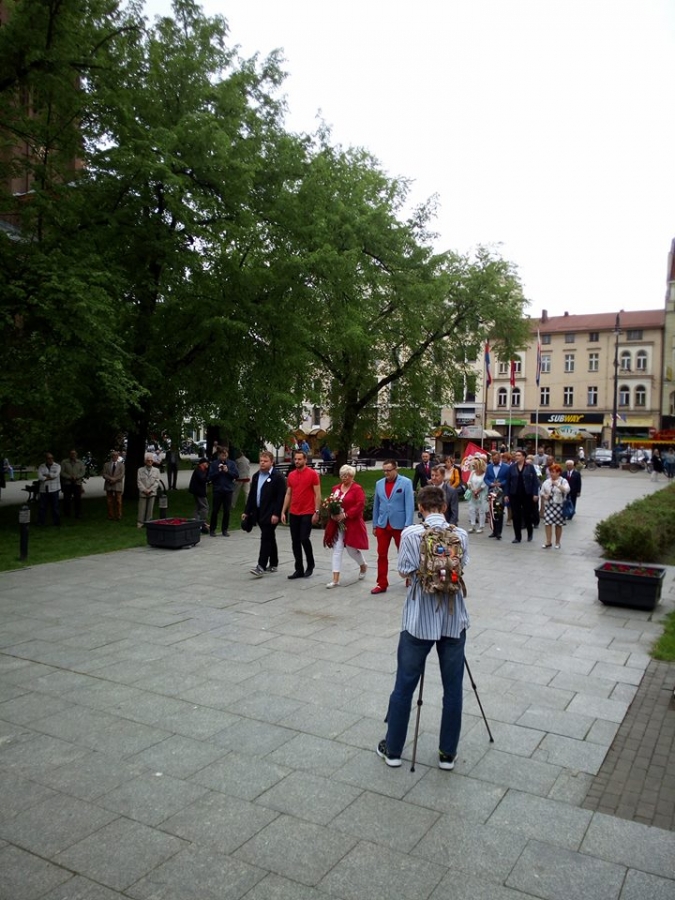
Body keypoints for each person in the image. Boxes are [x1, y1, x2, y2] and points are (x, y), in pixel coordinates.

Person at [377, 485, 469, 769]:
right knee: (453, 688)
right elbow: (462, 566)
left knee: (404, 685)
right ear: (444, 506)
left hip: (419, 620)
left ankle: (393, 750)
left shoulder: (410, 534)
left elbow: (404, 570)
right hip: (453, 620)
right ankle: (447, 754)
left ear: (420, 507)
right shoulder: (460, 534)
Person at [371, 459, 415, 595]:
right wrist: (375, 524)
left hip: (400, 524)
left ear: (396, 469)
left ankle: (409, 577)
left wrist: (408, 525)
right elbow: (376, 505)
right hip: (383, 524)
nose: (386, 473)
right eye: (384, 471)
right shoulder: (379, 484)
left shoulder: (406, 483)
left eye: (389, 470)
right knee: (381, 554)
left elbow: (409, 505)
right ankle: (381, 583)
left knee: (404, 553)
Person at [323, 464, 369, 588]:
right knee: (337, 549)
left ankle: (363, 565)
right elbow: (331, 502)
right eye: (342, 475)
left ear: (352, 476)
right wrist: (332, 513)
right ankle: (335, 579)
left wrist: (346, 514)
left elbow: (360, 505)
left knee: (351, 549)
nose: (344, 478)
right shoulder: (336, 488)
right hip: (337, 524)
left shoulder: (357, 489)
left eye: (346, 476)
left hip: (352, 523)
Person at [245, 451, 287, 576]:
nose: (262, 463)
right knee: (269, 536)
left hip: (271, 512)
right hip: (259, 511)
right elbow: (252, 495)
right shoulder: (256, 476)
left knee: (266, 537)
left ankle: (261, 566)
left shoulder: (278, 477)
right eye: (261, 461)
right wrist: (246, 511)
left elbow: (281, 497)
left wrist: (276, 513)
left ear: (271, 462)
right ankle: (273, 563)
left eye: (265, 461)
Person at [281, 449, 322, 578]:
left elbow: (318, 494)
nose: (297, 461)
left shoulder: (312, 474)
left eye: (299, 459)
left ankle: (310, 564)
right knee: (295, 541)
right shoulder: (291, 475)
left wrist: (316, 511)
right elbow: (288, 493)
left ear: (305, 460)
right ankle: (298, 568)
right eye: (295, 459)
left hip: (307, 511)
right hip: (294, 511)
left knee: (304, 538)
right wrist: (283, 511)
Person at [504, 449, 539, 543]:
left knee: (527, 515)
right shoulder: (512, 467)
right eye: (516, 455)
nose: (517, 457)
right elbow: (508, 482)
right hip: (514, 494)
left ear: (524, 457)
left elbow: (535, 481)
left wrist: (535, 493)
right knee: (516, 515)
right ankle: (517, 536)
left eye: (519, 455)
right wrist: (506, 494)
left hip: (527, 494)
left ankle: (530, 533)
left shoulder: (530, 467)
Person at [208, 447, 238, 536]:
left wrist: (228, 471)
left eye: (225, 455)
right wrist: (218, 471)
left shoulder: (231, 463)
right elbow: (210, 477)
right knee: (215, 510)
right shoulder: (214, 464)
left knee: (227, 511)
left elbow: (236, 475)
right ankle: (212, 529)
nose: (224, 456)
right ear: (219, 455)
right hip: (218, 489)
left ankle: (224, 529)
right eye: (222, 455)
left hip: (228, 490)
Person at [540, 463, 570, 549]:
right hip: (549, 505)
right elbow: (541, 491)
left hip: (559, 505)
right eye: (551, 472)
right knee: (547, 523)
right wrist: (544, 495)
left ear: (558, 472)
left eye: (554, 472)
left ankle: (557, 542)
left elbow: (567, 490)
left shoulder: (563, 481)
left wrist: (558, 485)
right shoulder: (547, 481)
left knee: (558, 524)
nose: (552, 474)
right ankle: (548, 541)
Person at [485, 451, 509, 540]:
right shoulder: (489, 467)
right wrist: (490, 483)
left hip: (501, 492)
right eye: (493, 459)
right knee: (492, 511)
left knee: (499, 511)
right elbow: (486, 478)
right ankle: (494, 531)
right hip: (491, 491)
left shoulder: (506, 467)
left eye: (496, 459)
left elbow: (508, 479)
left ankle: (499, 532)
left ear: (500, 458)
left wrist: (501, 483)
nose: (494, 460)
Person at [37, 452, 61, 526]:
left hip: (54, 489)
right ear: (46, 459)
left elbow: (55, 475)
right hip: (44, 489)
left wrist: (46, 476)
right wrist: (48, 477)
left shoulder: (57, 466)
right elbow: (40, 477)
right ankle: (41, 522)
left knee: (55, 507)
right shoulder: (41, 466)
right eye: (49, 458)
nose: (51, 460)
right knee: (42, 507)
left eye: (52, 458)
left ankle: (56, 522)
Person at [60, 449, 86, 519]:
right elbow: (62, 472)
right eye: (71, 454)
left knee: (78, 499)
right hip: (67, 483)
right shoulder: (64, 462)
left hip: (77, 483)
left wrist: (76, 477)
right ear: (69, 454)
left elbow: (83, 472)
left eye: (74, 454)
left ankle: (78, 513)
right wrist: (69, 477)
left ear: (76, 455)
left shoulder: (80, 462)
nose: (73, 455)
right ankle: (67, 513)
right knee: (67, 499)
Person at [137, 454, 161, 527]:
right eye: (148, 460)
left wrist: (150, 490)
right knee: (141, 508)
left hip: (152, 492)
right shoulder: (140, 470)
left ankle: (149, 523)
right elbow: (139, 481)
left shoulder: (156, 470)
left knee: (150, 509)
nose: (150, 462)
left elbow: (157, 481)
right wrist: (144, 490)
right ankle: (140, 523)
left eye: (151, 461)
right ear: (145, 461)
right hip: (143, 492)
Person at [466, 456, 488, 534]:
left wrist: (477, 491)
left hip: (482, 494)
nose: (473, 466)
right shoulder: (472, 472)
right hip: (472, 493)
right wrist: (472, 490)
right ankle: (473, 525)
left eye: (475, 464)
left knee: (481, 510)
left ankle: (481, 526)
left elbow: (484, 484)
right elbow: (468, 482)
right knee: (472, 509)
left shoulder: (485, 474)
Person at [188, 457, 211, 534]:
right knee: (205, 507)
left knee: (198, 507)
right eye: (206, 463)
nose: (207, 464)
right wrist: (209, 476)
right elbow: (203, 479)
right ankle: (202, 523)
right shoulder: (199, 470)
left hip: (198, 491)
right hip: (199, 492)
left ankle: (195, 522)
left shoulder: (203, 470)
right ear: (202, 464)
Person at [102, 450, 125, 520]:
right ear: (111, 456)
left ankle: (119, 515)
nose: (115, 457)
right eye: (113, 455)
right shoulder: (106, 464)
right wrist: (110, 479)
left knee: (118, 501)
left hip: (118, 484)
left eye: (116, 455)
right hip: (109, 484)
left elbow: (122, 474)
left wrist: (115, 479)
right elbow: (104, 474)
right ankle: (110, 515)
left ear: (118, 457)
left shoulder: (121, 465)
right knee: (109, 501)